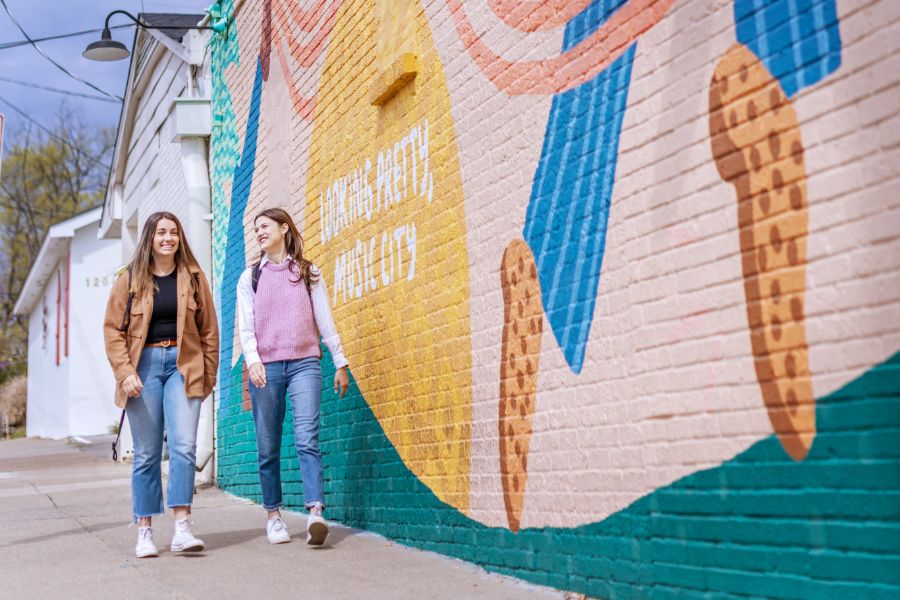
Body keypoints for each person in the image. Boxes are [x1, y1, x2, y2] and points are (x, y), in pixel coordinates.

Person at [103, 211, 219, 558]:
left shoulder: (194, 278)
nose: (168, 238)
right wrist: (125, 372)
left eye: (174, 232)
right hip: (144, 367)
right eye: (161, 232)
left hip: (185, 367)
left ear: (180, 238)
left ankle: (182, 527)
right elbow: (113, 330)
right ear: (150, 239)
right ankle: (145, 530)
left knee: (183, 447)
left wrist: (207, 377)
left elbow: (209, 332)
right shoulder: (130, 279)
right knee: (147, 453)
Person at [236, 207, 350, 546]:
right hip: (266, 368)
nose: (259, 232)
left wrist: (339, 360)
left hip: (305, 364)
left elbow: (324, 318)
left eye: (265, 226)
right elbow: (245, 325)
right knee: (268, 445)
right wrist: (253, 360)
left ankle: (315, 511)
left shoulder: (307, 271)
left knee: (307, 438)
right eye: (256, 229)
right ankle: (274, 516)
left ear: (284, 229)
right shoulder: (250, 277)